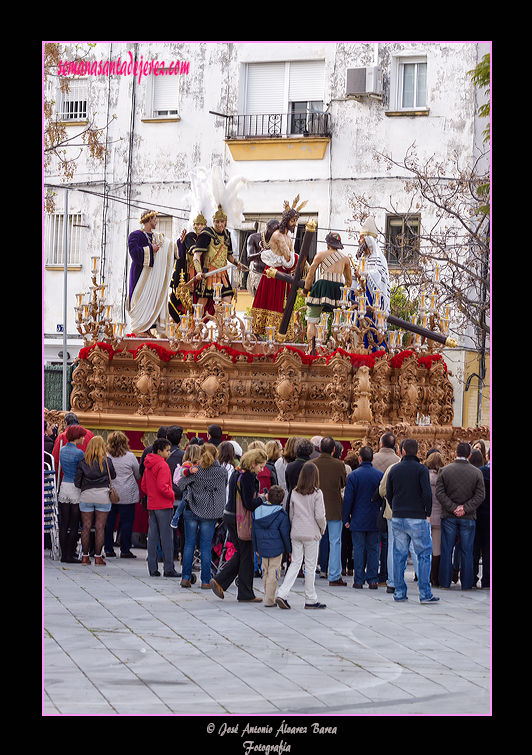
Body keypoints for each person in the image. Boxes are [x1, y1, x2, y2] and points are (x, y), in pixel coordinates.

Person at [210, 448, 267, 603]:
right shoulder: (247, 476)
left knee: (242, 554)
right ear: (253, 462)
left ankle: (222, 581)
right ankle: (241, 591)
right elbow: (249, 503)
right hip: (240, 520)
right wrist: (263, 498)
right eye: (260, 466)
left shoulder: (238, 472)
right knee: (246, 556)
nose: (261, 470)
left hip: (230, 516)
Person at [386, 438, 438, 603]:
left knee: (399, 555)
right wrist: (427, 512)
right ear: (417, 452)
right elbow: (427, 493)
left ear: (402, 451)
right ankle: (424, 593)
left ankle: (399, 592)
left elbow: (388, 493)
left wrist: (396, 507)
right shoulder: (421, 469)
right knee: (423, 554)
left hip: (398, 516)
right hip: (417, 517)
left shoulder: (395, 469)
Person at [275, 462, 327, 610]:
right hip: (311, 533)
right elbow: (320, 516)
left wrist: (294, 527)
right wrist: (322, 529)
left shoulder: (294, 492)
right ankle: (310, 598)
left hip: (296, 532)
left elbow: (291, 514)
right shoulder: (317, 493)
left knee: (295, 563)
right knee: (310, 566)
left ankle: (282, 593)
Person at [436, 442, 485, 591]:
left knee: (446, 549)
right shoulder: (477, 473)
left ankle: (444, 583)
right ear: (469, 455)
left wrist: (452, 507)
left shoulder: (445, 470)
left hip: (449, 516)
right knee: (467, 551)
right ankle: (467, 583)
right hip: (468, 517)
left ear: (455, 453)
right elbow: (480, 495)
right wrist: (465, 508)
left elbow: (439, 493)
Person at [178, 443, 228, 588]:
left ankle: (186, 577)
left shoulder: (195, 471)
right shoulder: (222, 471)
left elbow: (181, 484)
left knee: (189, 544)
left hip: (192, 509)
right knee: (206, 547)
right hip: (210, 512)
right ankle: (205, 580)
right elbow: (223, 486)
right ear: (216, 455)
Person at [126, 209, 178, 337]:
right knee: (140, 300)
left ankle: (147, 328)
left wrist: (180, 242)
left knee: (152, 300)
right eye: (155, 218)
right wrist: (150, 249)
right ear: (149, 219)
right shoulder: (135, 235)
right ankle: (141, 328)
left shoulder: (158, 237)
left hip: (154, 276)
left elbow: (171, 249)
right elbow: (134, 253)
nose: (156, 221)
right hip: (140, 275)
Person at [249, 209, 300, 338]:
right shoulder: (278, 235)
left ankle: (279, 334)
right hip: (273, 273)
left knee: (282, 305)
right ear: (286, 220)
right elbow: (289, 257)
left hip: (284, 274)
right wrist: (298, 260)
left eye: (296, 221)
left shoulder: (288, 237)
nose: (294, 224)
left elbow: (291, 258)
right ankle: (260, 334)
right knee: (269, 301)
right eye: (292, 220)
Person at [343, 446, 383, 589]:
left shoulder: (353, 476)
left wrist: (346, 518)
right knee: (373, 549)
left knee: (359, 548)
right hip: (374, 516)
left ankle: (358, 579)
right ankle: (372, 579)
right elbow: (383, 496)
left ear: (360, 458)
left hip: (358, 517)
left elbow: (348, 499)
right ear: (372, 459)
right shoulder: (380, 475)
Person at [303, 232, 353, 344]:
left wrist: (305, 290)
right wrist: (345, 295)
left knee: (311, 320)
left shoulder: (320, 255)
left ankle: (312, 349)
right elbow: (349, 281)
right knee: (342, 321)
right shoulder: (345, 259)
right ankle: (340, 350)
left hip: (322, 285)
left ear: (328, 244)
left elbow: (310, 275)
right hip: (339, 288)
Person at [141, 438, 181, 578]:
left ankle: (153, 568)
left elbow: (144, 485)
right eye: (167, 450)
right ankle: (169, 568)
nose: (169, 453)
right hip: (163, 504)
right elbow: (163, 487)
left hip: (152, 503)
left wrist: (152, 495)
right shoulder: (162, 465)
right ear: (159, 451)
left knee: (152, 537)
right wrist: (171, 495)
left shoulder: (148, 464)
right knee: (166, 538)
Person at [74, 436, 116, 566]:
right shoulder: (107, 461)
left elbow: (77, 482)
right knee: (100, 527)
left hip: (86, 495)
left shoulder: (83, 461)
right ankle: (98, 557)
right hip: (102, 496)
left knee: (86, 527)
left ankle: (85, 557)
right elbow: (113, 476)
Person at [312, 436, 347, 586]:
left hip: (314, 507)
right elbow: (342, 484)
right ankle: (334, 575)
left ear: (319, 448)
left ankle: (310, 571)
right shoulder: (339, 465)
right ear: (334, 450)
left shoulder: (311, 464)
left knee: (313, 541)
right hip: (333, 507)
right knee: (335, 542)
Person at [192, 205, 242, 310]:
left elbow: (229, 256)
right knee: (202, 302)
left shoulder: (227, 235)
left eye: (222, 222)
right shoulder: (206, 234)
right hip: (208, 272)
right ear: (213, 221)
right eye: (217, 222)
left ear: (225, 222)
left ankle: (223, 326)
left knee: (227, 301)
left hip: (222, 274)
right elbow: (197, 255)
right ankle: (197, 326)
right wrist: (198, 271)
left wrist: (237, 263)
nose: (220, 224)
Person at [252, 485, 291, 607]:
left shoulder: (257, 512)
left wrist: (255, 547)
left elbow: (253, 532)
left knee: (265, 571)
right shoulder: (281, 514)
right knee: (273, 573)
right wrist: (289, 550)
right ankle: (269, 599)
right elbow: (285, 535)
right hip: (276, 548)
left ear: (267, 497)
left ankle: (268, 595)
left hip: (262, 547)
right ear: (282, 500)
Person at [104, 431, 141, 559]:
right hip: (127, 494)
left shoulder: (106, 455)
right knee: (127, 522)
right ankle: (125, 549)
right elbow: (137, 474)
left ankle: (108, 548)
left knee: (109, 522)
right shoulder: (130, 456)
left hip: (110, 493)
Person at [169, 214, 206, 322]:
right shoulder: (191, 236)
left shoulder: (207, 239)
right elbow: (191, 250)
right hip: (189, 277)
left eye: (202, 224)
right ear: (194, 225)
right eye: (198, 224)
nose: (200, 227)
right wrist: (196, 253)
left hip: (203, 278)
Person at [57, 424, 86, 562]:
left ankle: (63, 555)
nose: (84, 438)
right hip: (75, 487)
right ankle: (70, 554)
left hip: (64, 485)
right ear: (78, 437)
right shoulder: (79, 453)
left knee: (64, 523)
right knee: (74, 524)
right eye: (82, 436)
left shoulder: (62, 450)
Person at [424, 450, 445, 587]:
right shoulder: (443, 477)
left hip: (425, 515)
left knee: (423, 548)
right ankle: (434, 578)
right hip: (439, 516)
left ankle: (422, 575)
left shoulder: (424, 475)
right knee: (436, 549)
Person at [474, 449, 490, 589]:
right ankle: (487, 581)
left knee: (474, 549)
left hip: (477, 514)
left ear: (487, 456)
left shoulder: (480, 472)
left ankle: (472, 579)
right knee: (488, 550)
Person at [285, 437, 314, 503]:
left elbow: (288, 486)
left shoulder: (290, 466)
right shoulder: (312, 466)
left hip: (292, 500)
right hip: (307, 501)